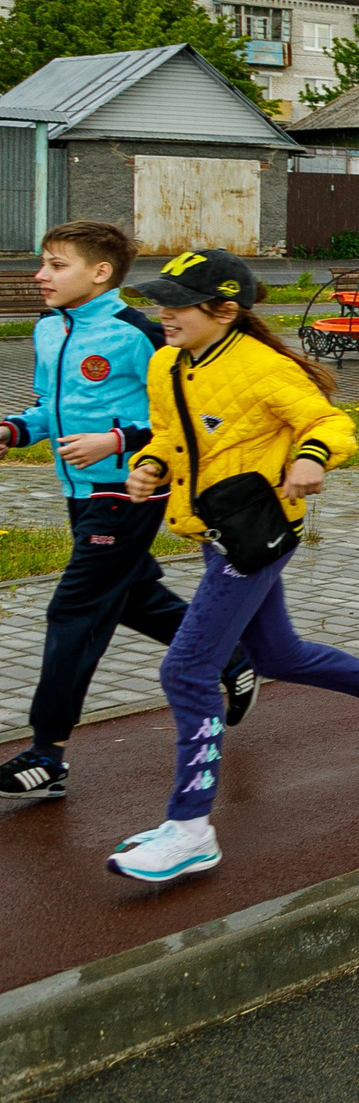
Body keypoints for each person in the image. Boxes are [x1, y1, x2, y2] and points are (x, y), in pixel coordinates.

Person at [108, 250, 359, 884]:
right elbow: (168, 435)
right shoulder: (166, 362)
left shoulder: (262, 367)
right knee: (278, 655)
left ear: (224, 310)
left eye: (177, 302)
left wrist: (311, 457)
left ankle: (190, 829)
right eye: (161, 300)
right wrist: (151, 465)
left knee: (187, 669)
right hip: (213, 529)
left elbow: (329, 421)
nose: (163, 312)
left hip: (256, 534)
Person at [0, 223, 256, 803]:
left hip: (133, 489)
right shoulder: (48, 328)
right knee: (132, 597)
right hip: (79, 490)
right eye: (42, 263)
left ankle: (47, 753)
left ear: (100, 272)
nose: (40, 275)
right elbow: (48, 408)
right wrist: (15, 429)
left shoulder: (136, 331)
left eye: (56, 265)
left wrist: (115, 442)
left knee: (74, 610)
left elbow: (182, 410)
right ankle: (231, 657)